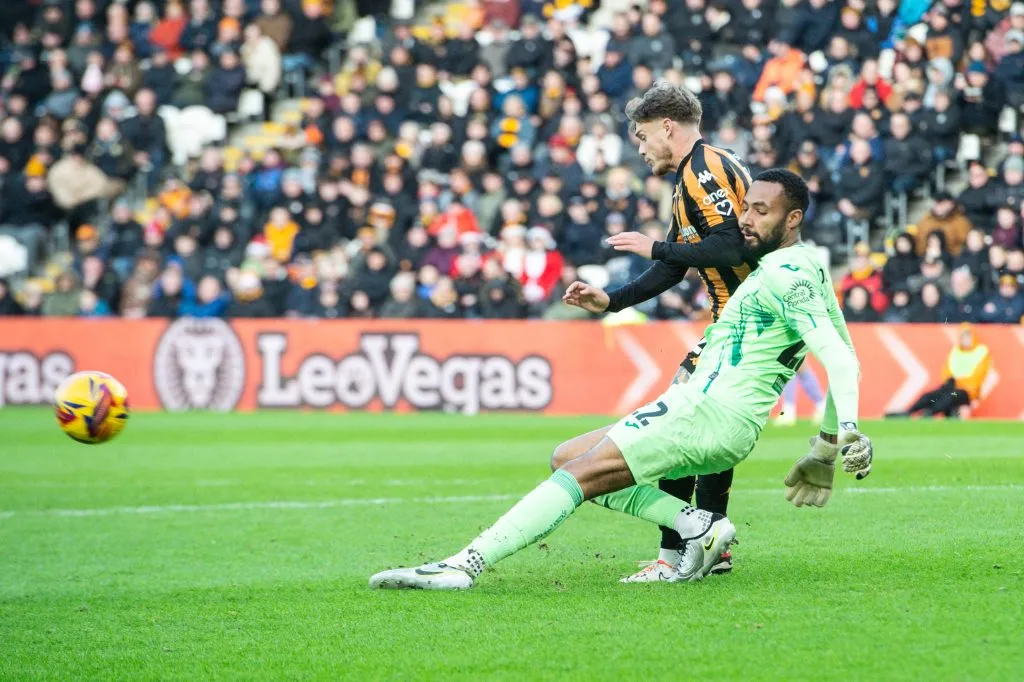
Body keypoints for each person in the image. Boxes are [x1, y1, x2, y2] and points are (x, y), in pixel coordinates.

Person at [369, 170, 874, 590]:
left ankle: (465, 565)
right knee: (567, 456)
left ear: (793, 218)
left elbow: (839, 360)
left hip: (706, 412)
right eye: (745, 207)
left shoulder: (784, 273)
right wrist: (823, 452)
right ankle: (697, 524)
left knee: (581, 475)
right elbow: (847, 357)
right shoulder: (810, 268)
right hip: (722, 421)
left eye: (761, 211)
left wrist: (843, 439)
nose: (746, 218)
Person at [549, 81, 757, 581]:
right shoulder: (694, 174)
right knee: (702, 436)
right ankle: (707, 547)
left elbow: (732, 247)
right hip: (735, 322)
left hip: (747, 322)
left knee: (681, 431)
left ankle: (676, 554)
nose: (641, 150)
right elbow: (674, 265)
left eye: (643, 137)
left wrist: (655, 247)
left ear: (667, 127)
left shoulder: (704, 171)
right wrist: (611, 300)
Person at [887, 324, 992, 418]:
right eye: (963, 337)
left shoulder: (981, 352)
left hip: (967, 392)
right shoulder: (956, 351)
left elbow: (979, 376)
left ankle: (929, 413)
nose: (966, 340)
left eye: (968, 337)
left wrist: (959, 382)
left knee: (950, 396)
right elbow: (947, 369)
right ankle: (908, 412)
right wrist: (949, 381)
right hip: (951, 387)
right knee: (930, 396)